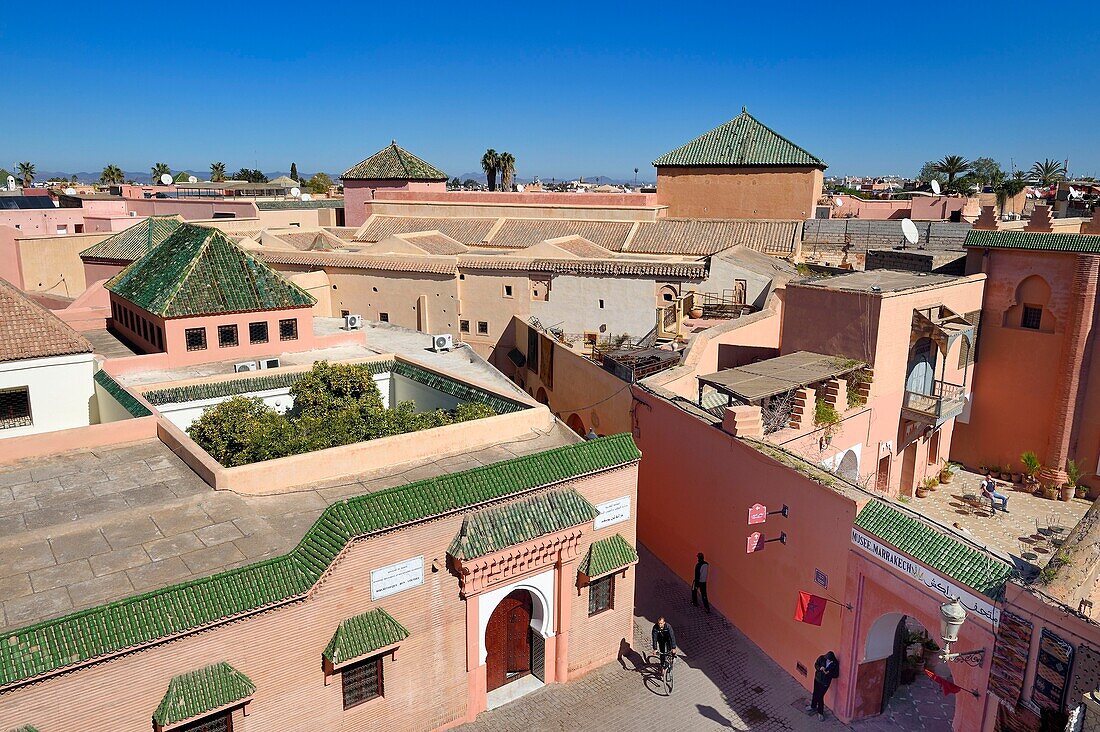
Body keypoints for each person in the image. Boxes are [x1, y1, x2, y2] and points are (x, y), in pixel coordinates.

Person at [809, 651, 840, 719]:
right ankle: (813, 706)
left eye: (829, 659)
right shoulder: (821, 658)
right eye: (827, 659)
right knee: (815, 693)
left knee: (820, 696)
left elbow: (836, 675)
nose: (827, 660)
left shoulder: (835, 664)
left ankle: (820, 712)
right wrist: (820, 668)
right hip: (817, 679)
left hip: (825, 682)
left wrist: (829, 673)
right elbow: (816, 664)